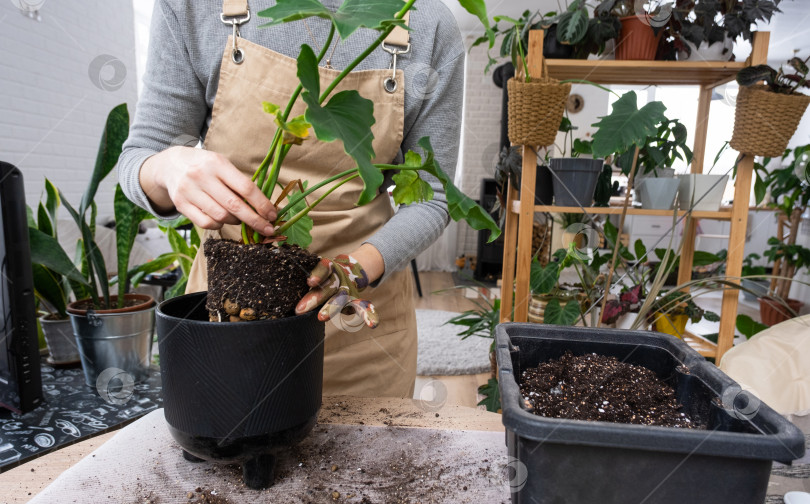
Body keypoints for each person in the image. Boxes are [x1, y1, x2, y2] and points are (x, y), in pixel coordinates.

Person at [118, 0, 465, 398]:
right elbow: (140, 157)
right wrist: (167, 167)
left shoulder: (428, 23)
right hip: (227, 321)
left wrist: (354, 270)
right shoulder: (195, 6)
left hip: (355, 327)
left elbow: (432, 195)